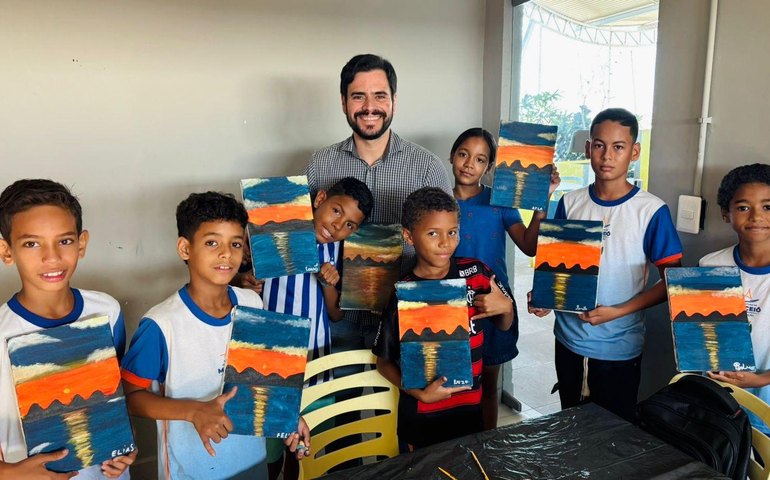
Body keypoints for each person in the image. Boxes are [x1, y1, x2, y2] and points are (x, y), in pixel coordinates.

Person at [120, 192, 309, 480]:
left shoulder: (252, 303)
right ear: (185, 248)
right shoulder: (161, 324)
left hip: (251, 461)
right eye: (212, 243)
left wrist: (286, 414)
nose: (226, 254)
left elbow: (263, 379)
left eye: (235, 243)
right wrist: (194, 411)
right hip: (194, 470)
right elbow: (131, 397)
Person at [530, 108, 683, 421]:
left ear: (634, 152)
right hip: (569, 341)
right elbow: (556, 266)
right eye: (599, 145)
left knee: (613, 433)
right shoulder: (570, 202)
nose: (607, 156)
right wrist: (545, 297)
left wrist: (619, 311)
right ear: (588, 149)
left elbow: (674, 283)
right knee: (569, 422)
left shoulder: (651, 211)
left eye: (618, 147)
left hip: (619, 346)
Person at [306, 53, 452, 352]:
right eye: (358, 96)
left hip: (403, 313)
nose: (369, 107)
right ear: (344, 102)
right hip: (333, 313)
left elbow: (446, 243)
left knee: (400, 399)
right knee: (340, 397)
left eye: (379, 96)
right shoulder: (320, 164)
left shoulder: (427, 166)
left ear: (394, 101)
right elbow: (298, 232)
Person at [0, 179, 136, 479]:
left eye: (64, 241)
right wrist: (9, 473)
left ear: (82, 243)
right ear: (6, 251)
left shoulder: (107, 311)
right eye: (31, 243)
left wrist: (125, 447)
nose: (52, 257)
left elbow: (116, 393)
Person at [373, 187, 514, 449]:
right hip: (421, 419)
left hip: (470, 412)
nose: (445, 242)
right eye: (432, 233)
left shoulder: (477, 274)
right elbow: (383, 363)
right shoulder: (403, 293)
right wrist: (419, 394)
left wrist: (506, 308)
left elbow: (504, 324)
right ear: (409, 236)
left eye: (452, 232)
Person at [261, 177, 373, 480]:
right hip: (271, 361)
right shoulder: (274, 235)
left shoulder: (336, 252)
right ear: (319, 198)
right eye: (336, 211)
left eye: (349, 225)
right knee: (269, 448)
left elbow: (336, 314)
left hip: (316, 362)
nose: (338, 226)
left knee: (306, 446)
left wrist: (328, 284)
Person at [450, 127, 560, 429]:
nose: (470, 164)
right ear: (452, 156)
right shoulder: (439, 203)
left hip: (494, 303)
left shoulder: (499, 202)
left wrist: (541, 205)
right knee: (453, 385)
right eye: (463, 154)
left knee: (488, 385)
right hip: (451, 303)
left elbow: (529, 245)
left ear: (488, 167)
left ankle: (487, 447)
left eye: (480, 159)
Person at [704, 164, 770, 435]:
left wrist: (760, 379)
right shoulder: (709, 266)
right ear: (725, 213)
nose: (756, 217)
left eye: (768, 207)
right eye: (743, 207)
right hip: (720, 404)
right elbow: (701, 335)